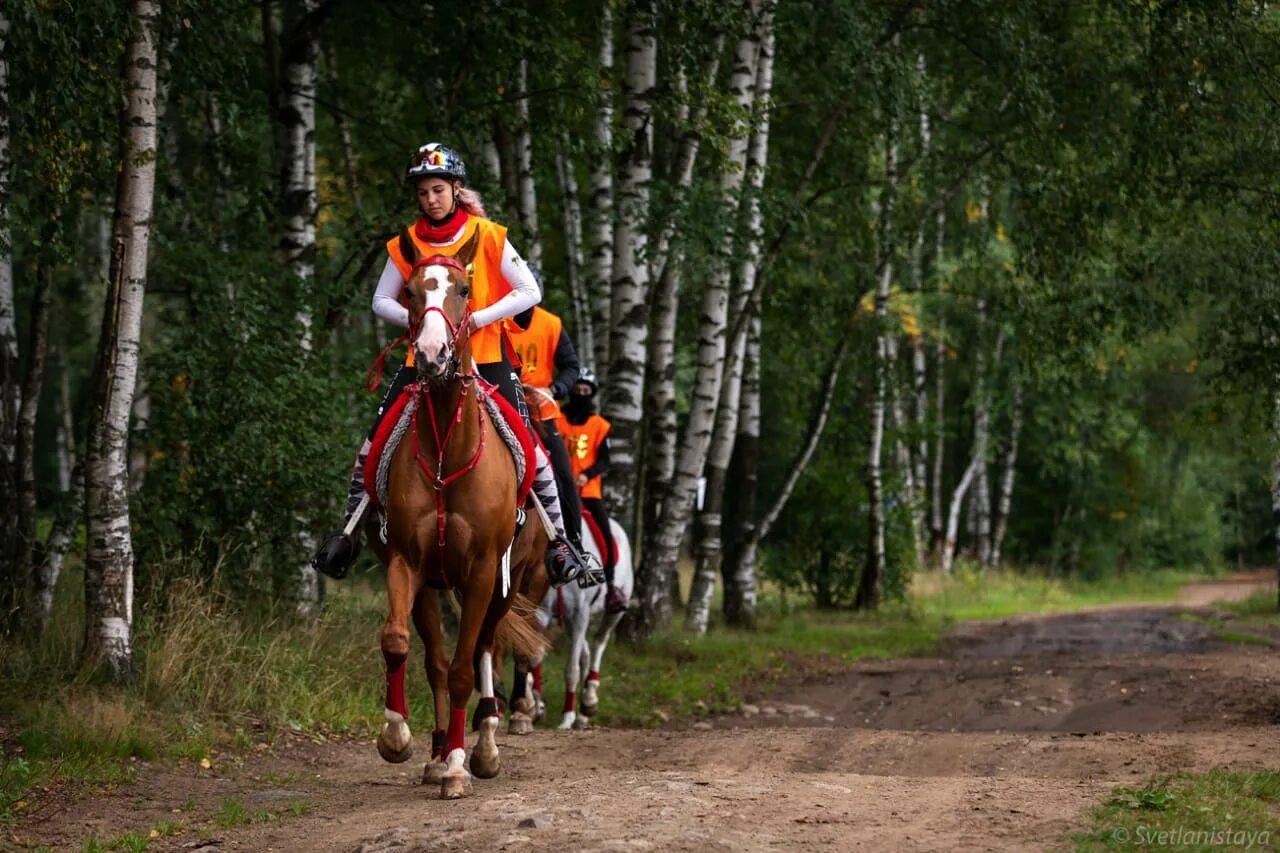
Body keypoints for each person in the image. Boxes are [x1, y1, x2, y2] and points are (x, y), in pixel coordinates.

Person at [310, 142, 588, 585]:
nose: (430, 199)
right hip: (422, 357)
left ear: (456, 189)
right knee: (375, 441)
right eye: (422, 193)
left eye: (438, 189)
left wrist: (475, 318)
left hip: (489, 355)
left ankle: (561, 543)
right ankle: (346, 535)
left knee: (531, 445)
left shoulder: (491, 235)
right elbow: (379, 300)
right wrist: (423, 323)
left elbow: (529, 290)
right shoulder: (406, 242)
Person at [504, 296, 589, 562]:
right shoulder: (496, 318)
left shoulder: (551, 324)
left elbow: (571, 366)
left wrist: (555, 389)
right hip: (503, 403)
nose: (522, 308)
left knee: (563, 474)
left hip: (541, 411)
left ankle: (573, 544)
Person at [556, 368, 627, 614]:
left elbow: (606, 461)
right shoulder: (556, 418)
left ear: (592, 394)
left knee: (606, 534)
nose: (581, 394)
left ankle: (610, 589)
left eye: (586, 391)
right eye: (577, 390)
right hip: (558, 490)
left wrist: (587, 474)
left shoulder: (600, 426)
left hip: (588, 492)